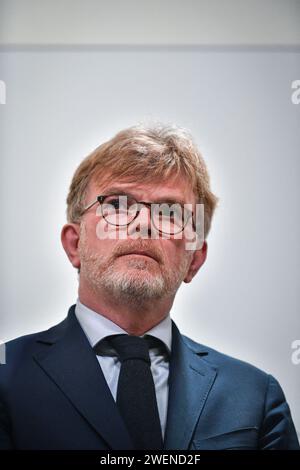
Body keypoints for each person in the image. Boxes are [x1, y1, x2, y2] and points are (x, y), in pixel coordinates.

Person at [0, 123, 299, 450]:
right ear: (75, 245)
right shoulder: (6, 378)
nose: (144, 223)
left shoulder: (255, 396)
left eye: (171, 212)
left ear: (194, 259)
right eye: (116, 205)